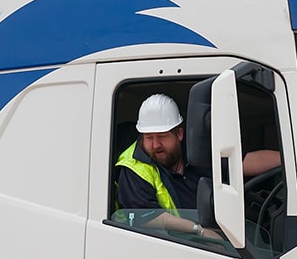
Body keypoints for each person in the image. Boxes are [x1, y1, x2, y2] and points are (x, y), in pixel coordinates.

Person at [115, 93, 281, 240]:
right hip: (182, 246)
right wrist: (198, 231)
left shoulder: (197, 149)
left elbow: (244, 162)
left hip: (229, 234)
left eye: (162, 136)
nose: (155, 144)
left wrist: (290, 159)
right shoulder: (134, 166)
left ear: (179, 134)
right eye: (149, 137)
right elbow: (146, 218)